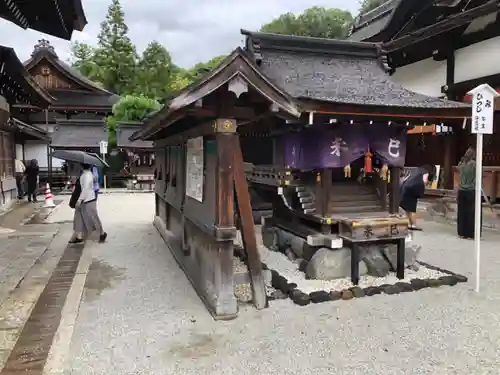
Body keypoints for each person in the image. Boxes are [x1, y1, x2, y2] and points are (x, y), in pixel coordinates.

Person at [70, 164, 107, 244]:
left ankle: (102, 233)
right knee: (79, 218)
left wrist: (80, 200)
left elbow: (86, 188)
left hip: (88, 200)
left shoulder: (87, 175)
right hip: (86, 199)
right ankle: (78, 236)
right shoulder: (86, 174)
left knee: (93, 218)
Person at [399, 164, 435, 231]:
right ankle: (414, 225)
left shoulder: (415, 170)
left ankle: (409, 224)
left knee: (407, 207)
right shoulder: (425, 171)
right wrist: (425, 186)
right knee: (412, 208)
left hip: (405, 187)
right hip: (413, 189)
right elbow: (424, 180)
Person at [457, 147, 480, 239]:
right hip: (471, 190)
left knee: (461, 212)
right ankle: (470, 233)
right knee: (471, 213)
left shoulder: (461, 164)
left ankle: (462, 232)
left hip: (462, 190)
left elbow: (459, 172)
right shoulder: (474, 164)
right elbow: (478, 176)